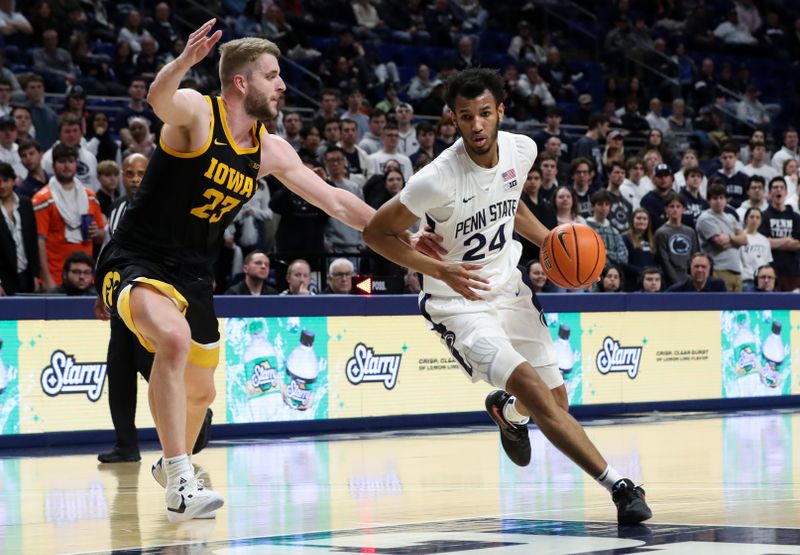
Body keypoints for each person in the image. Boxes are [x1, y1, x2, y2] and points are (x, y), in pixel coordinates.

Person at [95, 24, 377, 522]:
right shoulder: (199, 115)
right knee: (174, 340)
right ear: (242, 83)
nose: (283, 85)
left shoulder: (270, 149)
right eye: (272, 76)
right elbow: (160, 99)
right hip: (136, 258)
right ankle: (180, 483)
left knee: (201, 401)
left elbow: (334, 200)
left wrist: (397, 232)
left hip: (195, 274)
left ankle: (172, 460)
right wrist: (184, 60)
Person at [363, 68, 652, 525]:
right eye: (464, 117)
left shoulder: (523, 149)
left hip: (510, 289)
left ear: (500, 111)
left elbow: (509, 200)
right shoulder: (434, 179)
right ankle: (620, 486)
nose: (476, 125)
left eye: (483, 113)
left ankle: (506, 411)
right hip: (457, 304)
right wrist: (440, 269)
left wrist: (552, 242)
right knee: (538, 393)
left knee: (557, 402)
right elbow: (376, 233)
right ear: (452, 120)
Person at [33, 143, 105, 289]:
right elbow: (39, 241)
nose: (67, 166)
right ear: (53, 166)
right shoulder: (42, 199)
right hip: (55, 276)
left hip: (86, 277)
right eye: (62, 161)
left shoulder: (90, 197)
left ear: (76, 165)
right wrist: (46, 279)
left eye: (71, 161)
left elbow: (101, 236)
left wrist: (97, 232)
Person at [695, 183, 746, 291]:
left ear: (726, 200)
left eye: (721, 198)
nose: (718, 201)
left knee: (738, 307)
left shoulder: (731, 217)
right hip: (719, 268)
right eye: (715, 198)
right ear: (709, 201)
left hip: (736, 269)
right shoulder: (705, 218)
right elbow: (720, 243)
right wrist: (736, 240)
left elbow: (745, 240)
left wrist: (729, 237)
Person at [0, 162, 38, 295]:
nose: (2, 186)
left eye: (6, 180)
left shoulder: (26, 203)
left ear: (14, 180)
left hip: (26, 275)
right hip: (3, 278)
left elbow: (33, 241)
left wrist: (35, 275)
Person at [740, 208, 773, 292]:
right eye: (752, 217)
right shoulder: (740, 238)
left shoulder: (765, 240)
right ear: (746, 219)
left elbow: (767, 263)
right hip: (747, 279)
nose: (754, 220)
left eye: (758, 217)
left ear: (760, 221)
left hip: (763, 279)